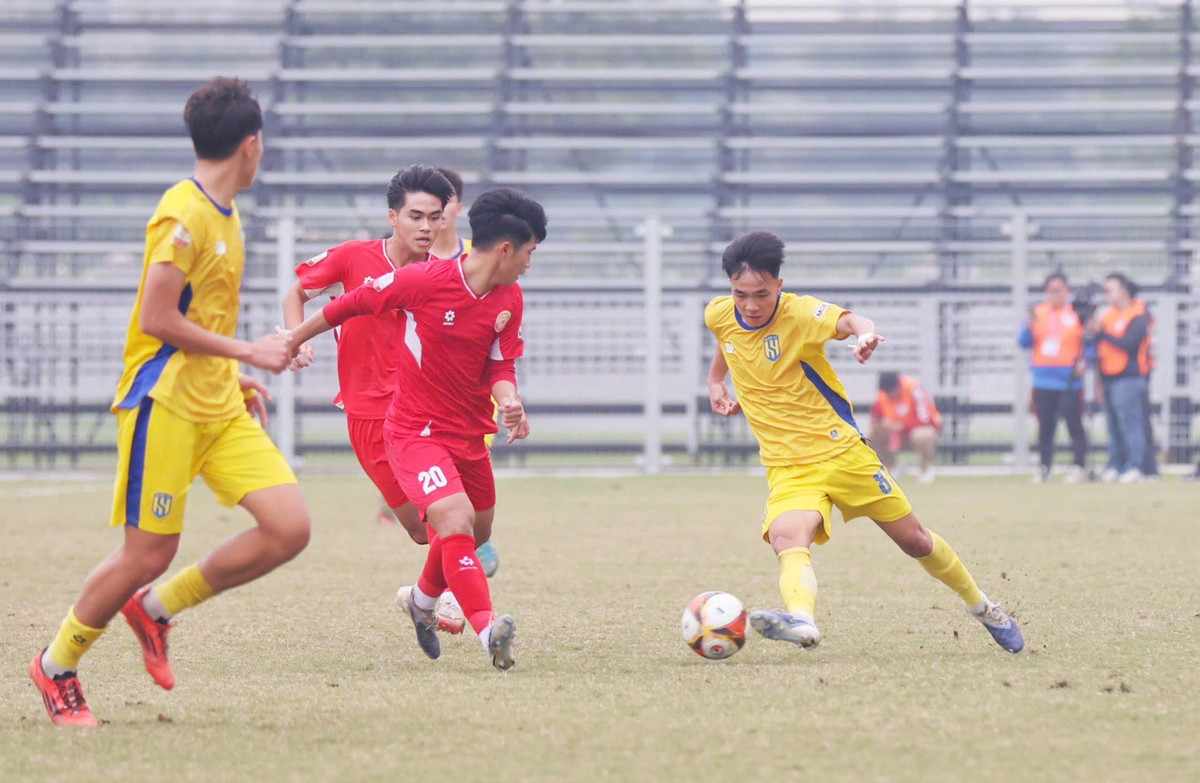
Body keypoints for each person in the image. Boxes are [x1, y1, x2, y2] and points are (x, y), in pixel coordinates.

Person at [29, 78, 310, 726]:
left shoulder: (226, 212)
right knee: (147, 552)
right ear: (251, 144)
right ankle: (56, 665)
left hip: (219, 403)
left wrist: (233, 375)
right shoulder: (184, 215)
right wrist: (249, 352)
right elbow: (157, 318)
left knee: (288, 527)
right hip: (166, 404)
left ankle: (154, 610)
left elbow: (199, 314)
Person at [705, 231, 1023, 655]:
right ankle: (802, 620)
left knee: (915, 541)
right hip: (788, 466)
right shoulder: (718, 314)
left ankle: (983, 607)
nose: (750, 304)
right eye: (740, 293)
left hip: (843, 454)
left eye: (761, 294)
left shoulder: (800, 313)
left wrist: (866, 335)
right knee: (787, 538)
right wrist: (715, 382)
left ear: (779, 285)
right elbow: (727, 342)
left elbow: (851, 320)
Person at [286, 187, 545, 671]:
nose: (531, 263)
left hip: (468, 432)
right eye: (530, 252)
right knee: (452, 521)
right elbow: (352, 304)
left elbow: (500, 364)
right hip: (413, 429)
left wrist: (510, 401)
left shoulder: (510, 298)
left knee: (473, 530)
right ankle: (489, 631)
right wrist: (293, 338)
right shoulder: (425, 280)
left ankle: (422, 601)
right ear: (507, 249)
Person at [1018, 272, 1089, 484]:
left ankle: (1079, 466)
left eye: (1059, 290)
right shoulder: (1038, 313)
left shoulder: (1077, 313)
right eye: (1051, 291)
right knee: (1045, 427)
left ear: (1067, 291)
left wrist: (1085, 360)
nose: (1055, 294)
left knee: (1074, 425)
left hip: (1069, 380)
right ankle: (1044, 467)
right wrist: (1028, 326)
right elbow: (1023, 342)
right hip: (1043, 379)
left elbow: (1089, 341)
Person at [1091, 273, 1152, 484]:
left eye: (1110, 289)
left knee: (1131, 425)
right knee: (1113, 427)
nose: (1106, 294)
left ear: (1123, 291)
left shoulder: (1138, 314)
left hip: (1128, 378)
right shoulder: (1107, 316)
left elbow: (1129, 343)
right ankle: (1115, 465)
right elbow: (1099, 348)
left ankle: (1135, 466)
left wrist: (1102, 334)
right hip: (1108, 377)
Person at [869, 372, 941, 483]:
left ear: (898, 386)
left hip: (916, 431)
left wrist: (902, 426)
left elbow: (925, 419)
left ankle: (926, 468)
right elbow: (875, 419)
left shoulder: (913, 388)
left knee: (923, 435)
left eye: (892, 392)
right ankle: (893, 466)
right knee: (872, 436)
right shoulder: (883, 395)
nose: (890, 396)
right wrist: (884, 425)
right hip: (895, 435)